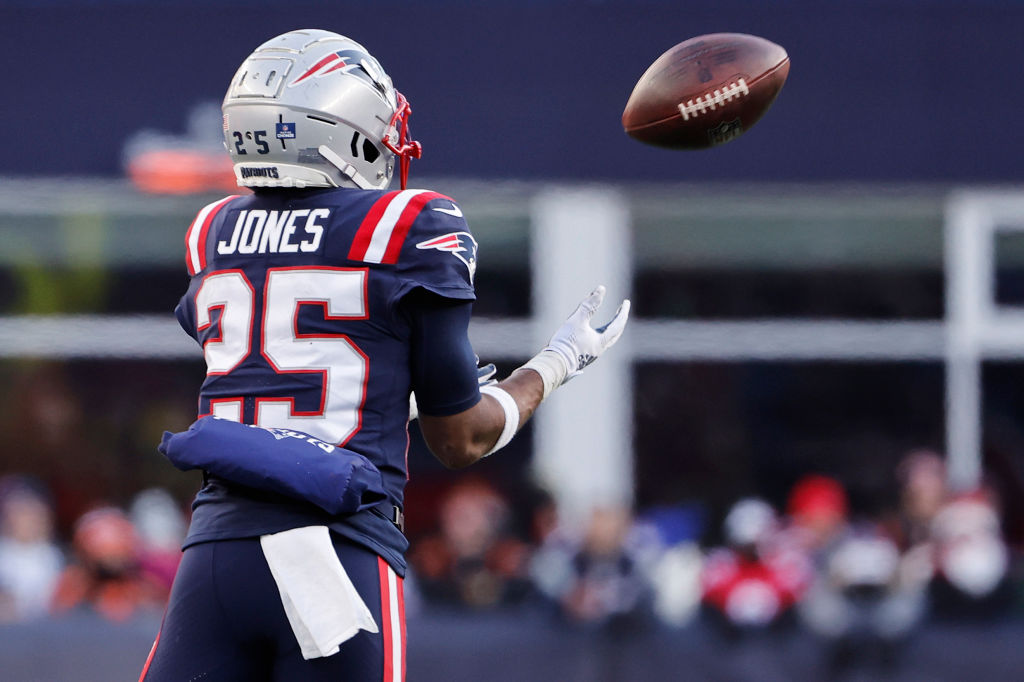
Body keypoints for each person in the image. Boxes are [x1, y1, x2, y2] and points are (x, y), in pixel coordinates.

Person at [139, 29, 629, 682]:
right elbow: (458, 437)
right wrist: (554, 364)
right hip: (333, 552)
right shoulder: (409, 225)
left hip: (214, 555)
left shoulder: (212, 232)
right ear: (345, 127)